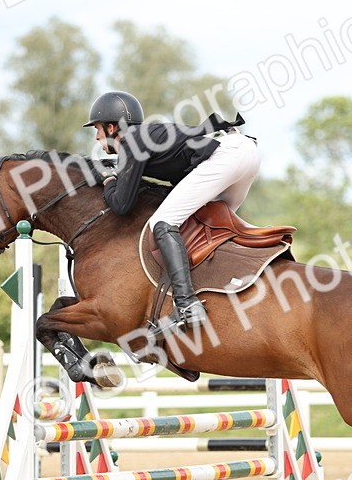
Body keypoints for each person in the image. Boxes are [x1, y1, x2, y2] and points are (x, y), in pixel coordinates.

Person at [84, 90, 260, 331]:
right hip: (245, 150)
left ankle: (187, 304)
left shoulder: (132, 141)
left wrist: (108, 180)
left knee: (163, 223)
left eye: (97, 129)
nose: (96, 137)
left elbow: (121, 205)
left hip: (226, 155)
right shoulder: (144, 137)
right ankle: (231, 283)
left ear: (112, 127)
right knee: (207, 223)